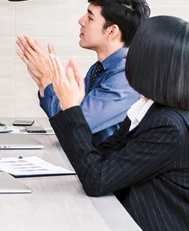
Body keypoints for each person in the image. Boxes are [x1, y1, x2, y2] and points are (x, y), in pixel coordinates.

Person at [47, 16, 189, 231]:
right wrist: (74, 104)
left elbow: (97, 180)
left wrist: (71, 108)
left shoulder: (168, 126)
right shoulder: (150, 109)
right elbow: (99, 157)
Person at [17, 0, 150, 143]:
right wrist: (43, 81)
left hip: (104, 165)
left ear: (111, 31)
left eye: (90, 17)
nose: (81, 21)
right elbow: (67, 114)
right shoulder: (101, 67)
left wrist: (47, 79)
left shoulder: (126, 77)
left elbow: (73, 126)